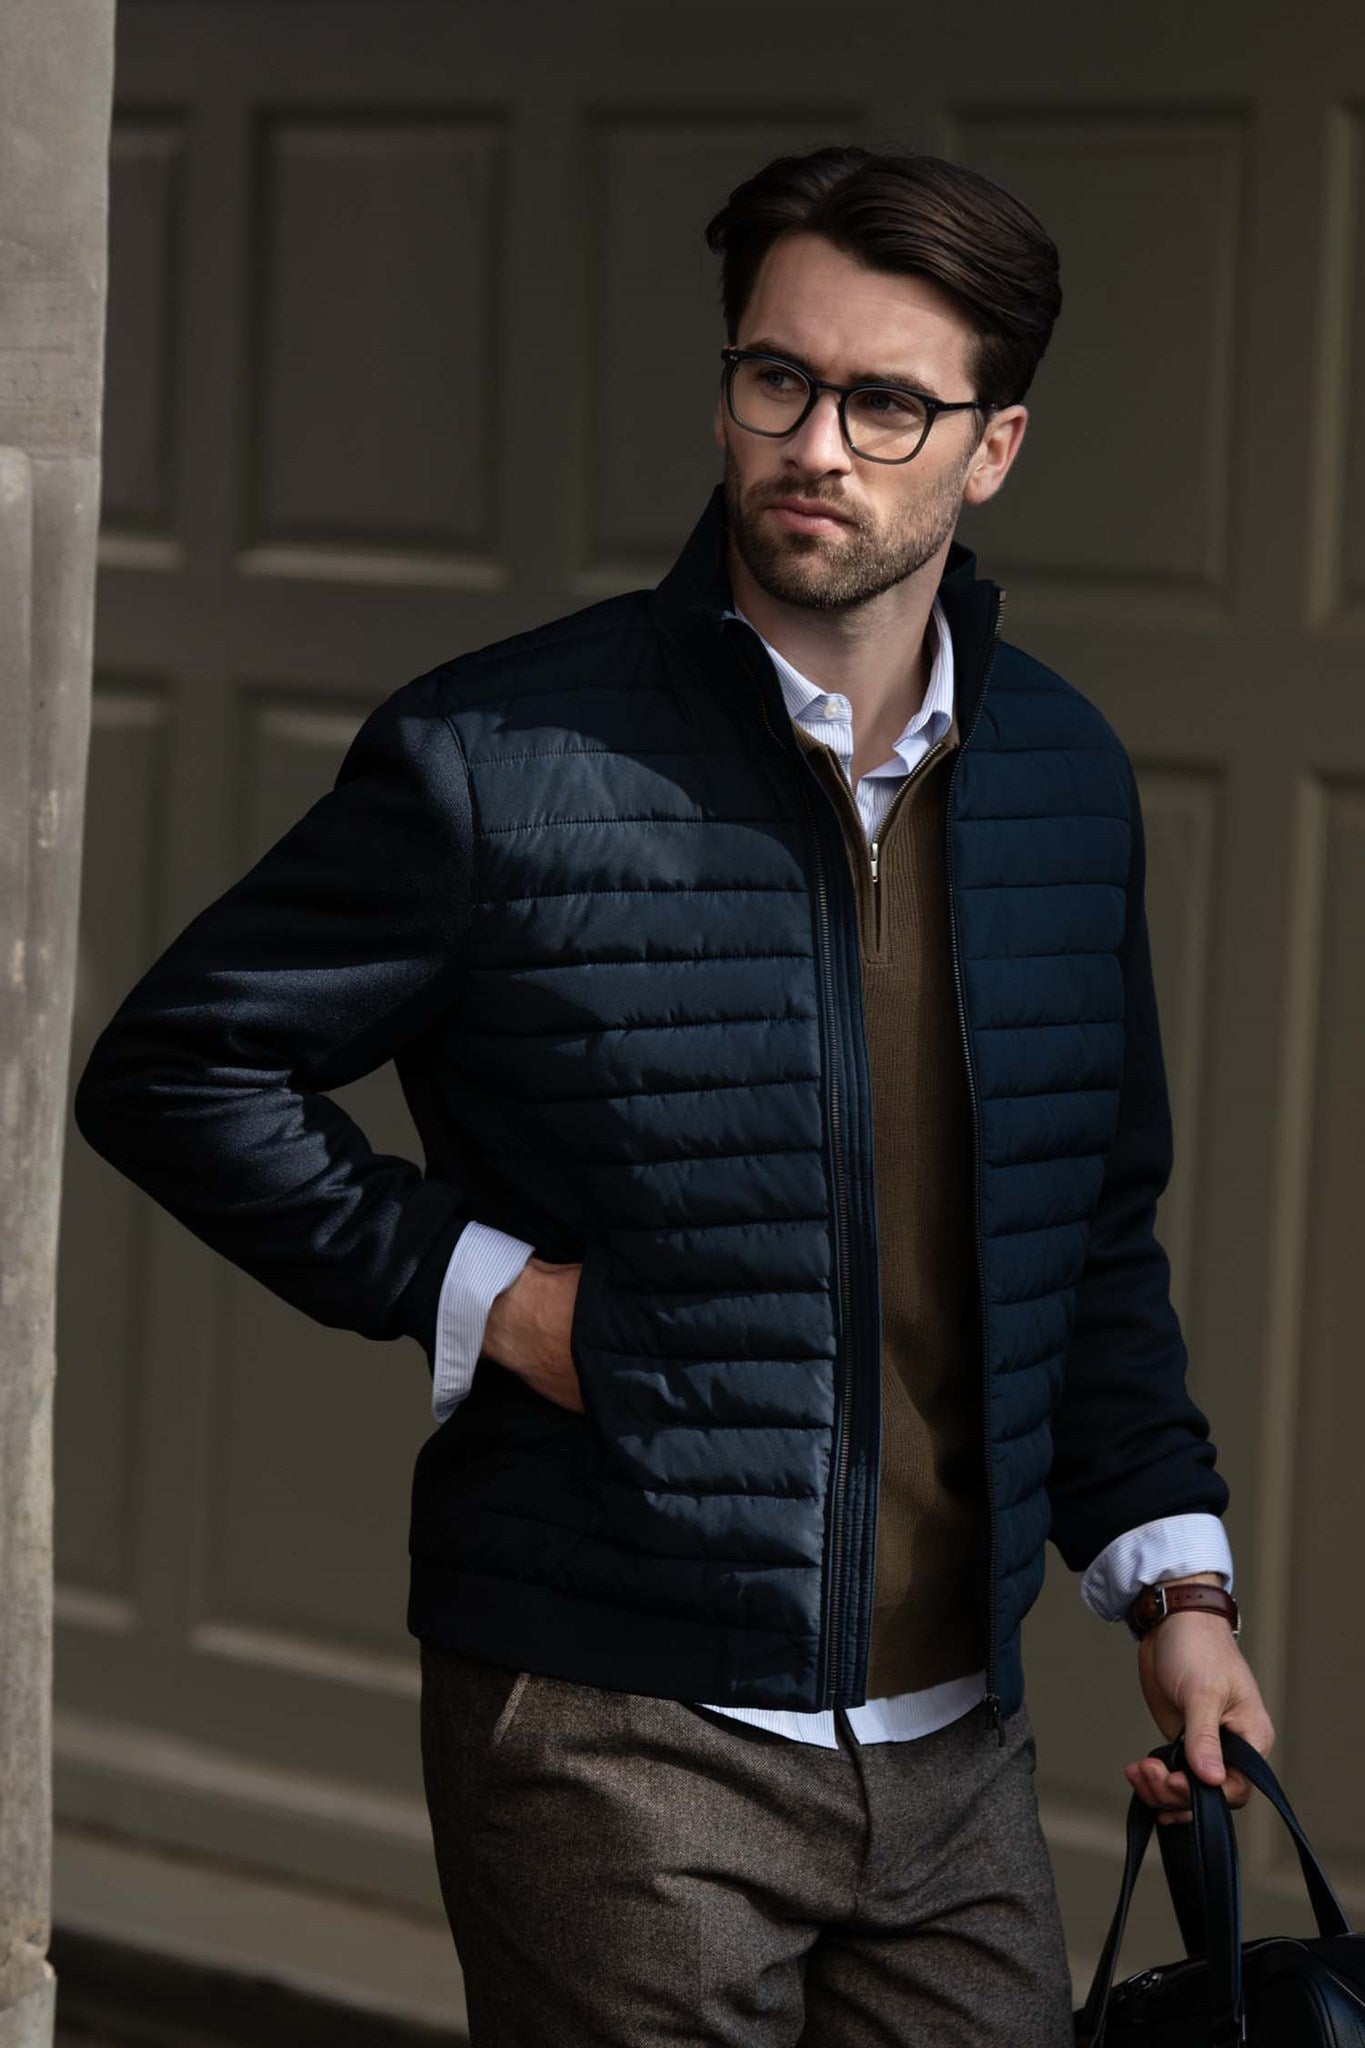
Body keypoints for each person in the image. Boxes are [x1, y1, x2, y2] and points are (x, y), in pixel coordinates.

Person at [73, 144, 1274, 2046]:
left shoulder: (1062, 775)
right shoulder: (498, 756)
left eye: (886, 404)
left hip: (956, 1745)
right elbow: (179, 1068)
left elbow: (1086, 1229)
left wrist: (1174, 1595)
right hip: (610, 1727)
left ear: (992, 448)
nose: (817, 445)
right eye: (775, 379)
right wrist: (494, 1300)